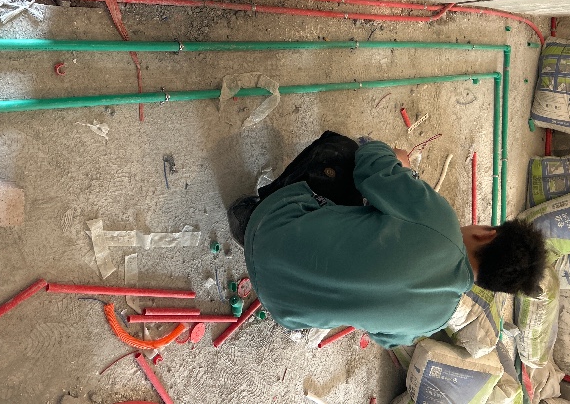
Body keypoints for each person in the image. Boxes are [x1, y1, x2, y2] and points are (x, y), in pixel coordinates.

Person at [227, 131, 547, 348]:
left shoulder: (442, 223)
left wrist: (397, 160)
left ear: (485, 233)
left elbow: (370, 164)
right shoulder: (436, 320)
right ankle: (252, 226)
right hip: (282, 307)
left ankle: (252, 213)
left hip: (268, 230)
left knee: (342, 153)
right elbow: (384, 337)